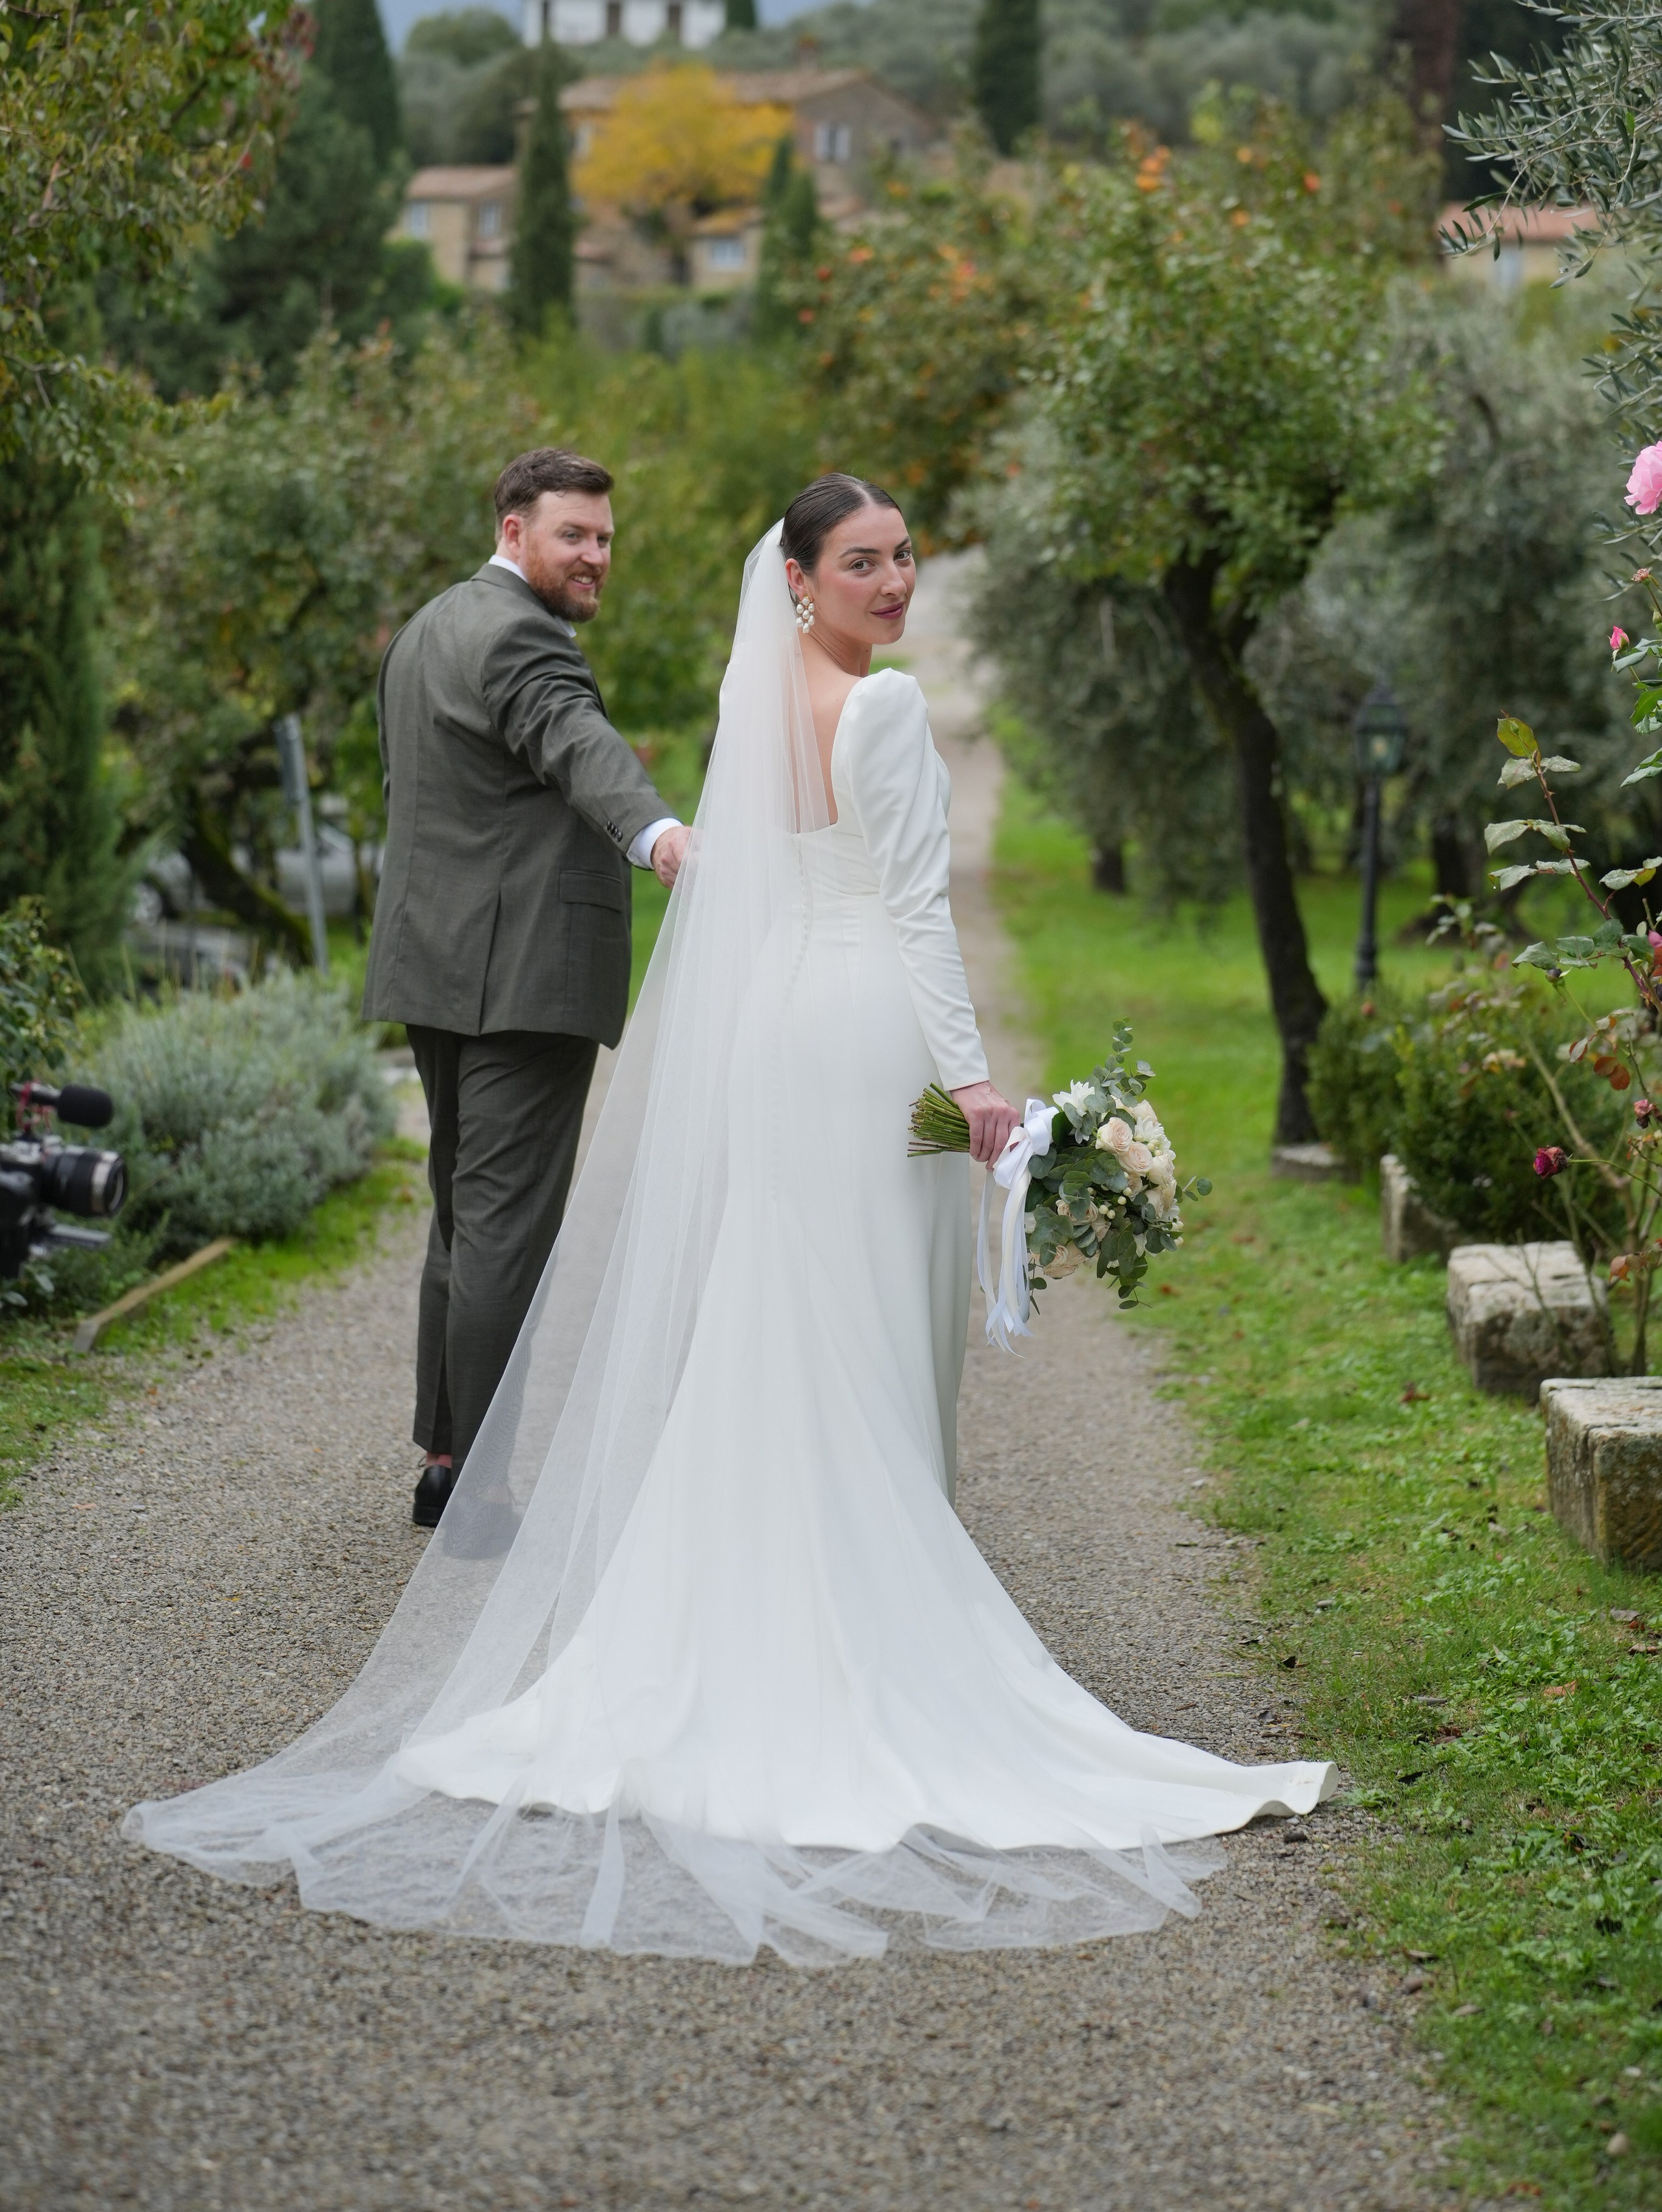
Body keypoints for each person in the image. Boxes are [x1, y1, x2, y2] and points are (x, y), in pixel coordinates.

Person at [127, 474, 1333, 1963]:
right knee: (860, 1329)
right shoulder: (881, 710)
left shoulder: (754, 704)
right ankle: (865, 1635)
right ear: (804, 580)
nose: (892, 583)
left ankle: (725, 1621)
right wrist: (970, 1084)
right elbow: (912, 914)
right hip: (864, 1035)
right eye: (863, 562)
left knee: (776, 1315)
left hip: (775, 1032)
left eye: (904, 560)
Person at [362, 447, 689, 1527]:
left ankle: (445, 1458)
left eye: (603, 536)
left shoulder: (426, 630)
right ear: (514, 532)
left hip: (437, 961)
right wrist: (656, 832)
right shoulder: (522, 637)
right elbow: (574, 737)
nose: (596, 555)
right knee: (505, 1227)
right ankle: (479, 1485)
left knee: (464, 1217)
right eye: (573, 536)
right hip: (523, 977)